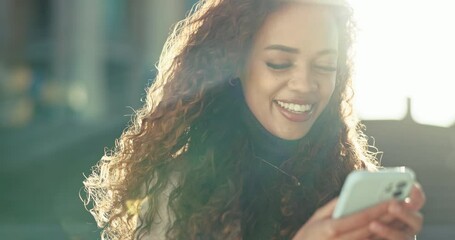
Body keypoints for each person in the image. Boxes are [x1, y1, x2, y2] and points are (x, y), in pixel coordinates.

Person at [83, 0, 425, 239]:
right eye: (279, 63)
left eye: (324, 66)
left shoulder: (348, 177)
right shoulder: (174, 191)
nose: (305, 85)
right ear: (235, 68)